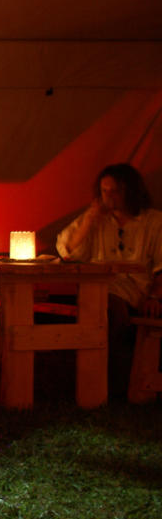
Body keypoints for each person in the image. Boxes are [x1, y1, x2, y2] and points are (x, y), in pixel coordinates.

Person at [56, 163, 162, 393]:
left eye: (115, 191)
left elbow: (161, 267)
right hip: (99, 289)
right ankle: (90, 379)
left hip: (135, 292)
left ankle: (101, 381)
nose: (109, 197)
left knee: (106, 309)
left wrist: (155, 297)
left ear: (130, 191)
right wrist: (88, 222)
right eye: (105, 191)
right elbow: (67, 251)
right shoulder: (97, 219)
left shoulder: (154, 222)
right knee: (97, 305)